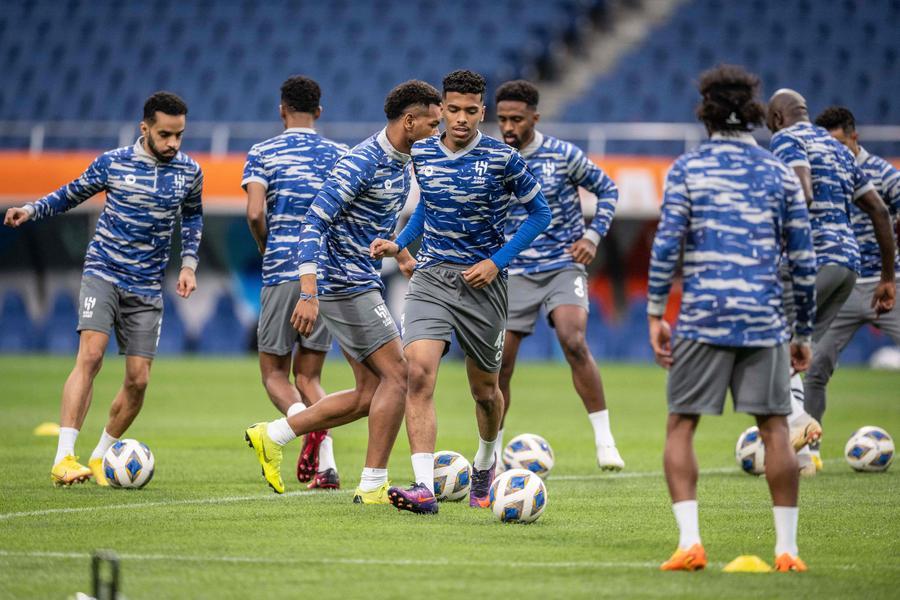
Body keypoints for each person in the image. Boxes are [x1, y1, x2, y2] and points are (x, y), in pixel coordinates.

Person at [648, 65, 816, 572]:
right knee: (775, 430)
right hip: (764, 319)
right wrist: (802, 330)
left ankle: (690, 543)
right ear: (757, 115)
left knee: (681, 425)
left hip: (702, 318)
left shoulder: (687, 169)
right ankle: (787, 552)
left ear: (706, 113)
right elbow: (803, 260)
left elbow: (666, 245)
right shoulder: (778, 173)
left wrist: (657, 312)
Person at [244, 80, 441, 504]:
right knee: (400, 373)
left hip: (362, 278)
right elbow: (313, 221)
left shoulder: (408, 159)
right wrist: (309, 292)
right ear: (410, 121)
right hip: (341, 283)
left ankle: (273, 434)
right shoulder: (360, 161)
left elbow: (374, 218)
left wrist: (401, 251)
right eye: (433, 123)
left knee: (371, 393)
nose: (439, 132)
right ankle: (372, 484)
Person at [371, 69, 552, 514]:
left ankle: (486, 463)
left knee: (485, 391)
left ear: (482, 112)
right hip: (432, 278)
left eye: (471, 111)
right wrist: (402, 242)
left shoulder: (502, 158)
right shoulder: (423, 152)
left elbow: (539, 214)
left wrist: (496, 262)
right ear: (442, 109)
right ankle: (422, 488)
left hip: (484, 285)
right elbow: (428, 208)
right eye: (453, 110)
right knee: (418, 372)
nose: (461, 119)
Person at [3, 92, 203, 487]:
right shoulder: (113, 163)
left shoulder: (190, 172)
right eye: (165, 135)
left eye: (179, 135)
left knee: (139, 380)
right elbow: (71, 193)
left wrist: (189, 265)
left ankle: (97, 459)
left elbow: (194, 218)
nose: (173, 144)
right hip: (104, 272)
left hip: (147, 286)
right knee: (91, 355)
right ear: (144, 128)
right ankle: (64, 458)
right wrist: (31, 209)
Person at [494, 79, 624, 471]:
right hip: (514, 270)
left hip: (562, 265)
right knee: (501, 362)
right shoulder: (494, 159)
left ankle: (605, 442)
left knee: (573, 339)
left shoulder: (563, 155)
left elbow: (609, 189)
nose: (508, 127)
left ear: (535, 117)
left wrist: (592, 235)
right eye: (501, 119)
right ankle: (492, 454)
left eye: (516, 119)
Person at [768, 89, 896, 471]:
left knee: (766, 342)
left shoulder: (785, 139)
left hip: (812, 263)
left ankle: (800, 422)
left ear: (776, 119)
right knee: (797, 353)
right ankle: (804, 457)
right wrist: (888, 276)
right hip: (849, 266)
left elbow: (802, 192)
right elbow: (878, 210)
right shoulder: (839, 150)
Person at [242, 75, 348, 489]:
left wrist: (267, 247)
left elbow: (254, 213)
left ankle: (305, 427)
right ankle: (326, 469)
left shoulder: (263, 152)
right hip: (322, 276)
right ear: (319, 111)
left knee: (274, 376)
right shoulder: (340, 154)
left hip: (283, 268)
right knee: (309, 378)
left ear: (281, 108)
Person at [802, 106, 900, 426]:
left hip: (885, 283)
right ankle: (807, 450)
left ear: (854, 137)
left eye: (839, 143)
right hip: (840, 286)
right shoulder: (820, 175)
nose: (833, 151)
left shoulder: (884, 175)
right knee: (814, 369)